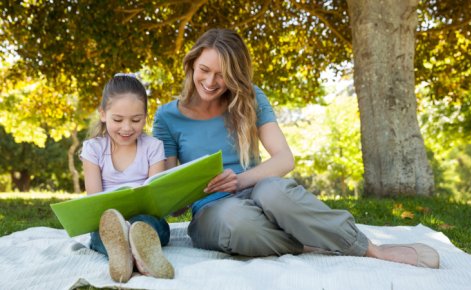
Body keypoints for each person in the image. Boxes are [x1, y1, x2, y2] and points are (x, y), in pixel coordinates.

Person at [153, 28, 440, 269]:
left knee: (275, 191)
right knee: (237, 221)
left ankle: (370, 249)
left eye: (223, 74)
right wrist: (191, 188)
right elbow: (173, 203)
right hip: (212, 210)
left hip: (254, 189)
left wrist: (239, 180)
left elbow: (284, 158)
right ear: (191, 64)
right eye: (204, 70)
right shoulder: (166, 117)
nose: (211, 82)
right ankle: (307, 241)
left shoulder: (250, 98)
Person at [80, 74, 175, 282]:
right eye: (118, 119)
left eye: (135, 120)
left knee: (151, 226)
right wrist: (117, 223)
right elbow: (94, 200)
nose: (126, 128)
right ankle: (137, 257)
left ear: (145, 117)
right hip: (109, 223)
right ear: (103, 114)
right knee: (101, 234)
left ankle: (130, 252)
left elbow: (155, 199)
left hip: (145, 219)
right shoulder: (93, 149)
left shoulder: (153, 147)